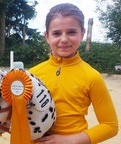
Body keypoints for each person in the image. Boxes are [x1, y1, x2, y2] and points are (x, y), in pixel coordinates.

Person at [29, 3, 118, 144]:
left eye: (71, 32)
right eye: (56, 33)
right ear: (47, 36)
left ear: (82, 34)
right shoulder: (31, 75)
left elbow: (110, 126)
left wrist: (68, 140)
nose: (64, 39)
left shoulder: (92, 76)